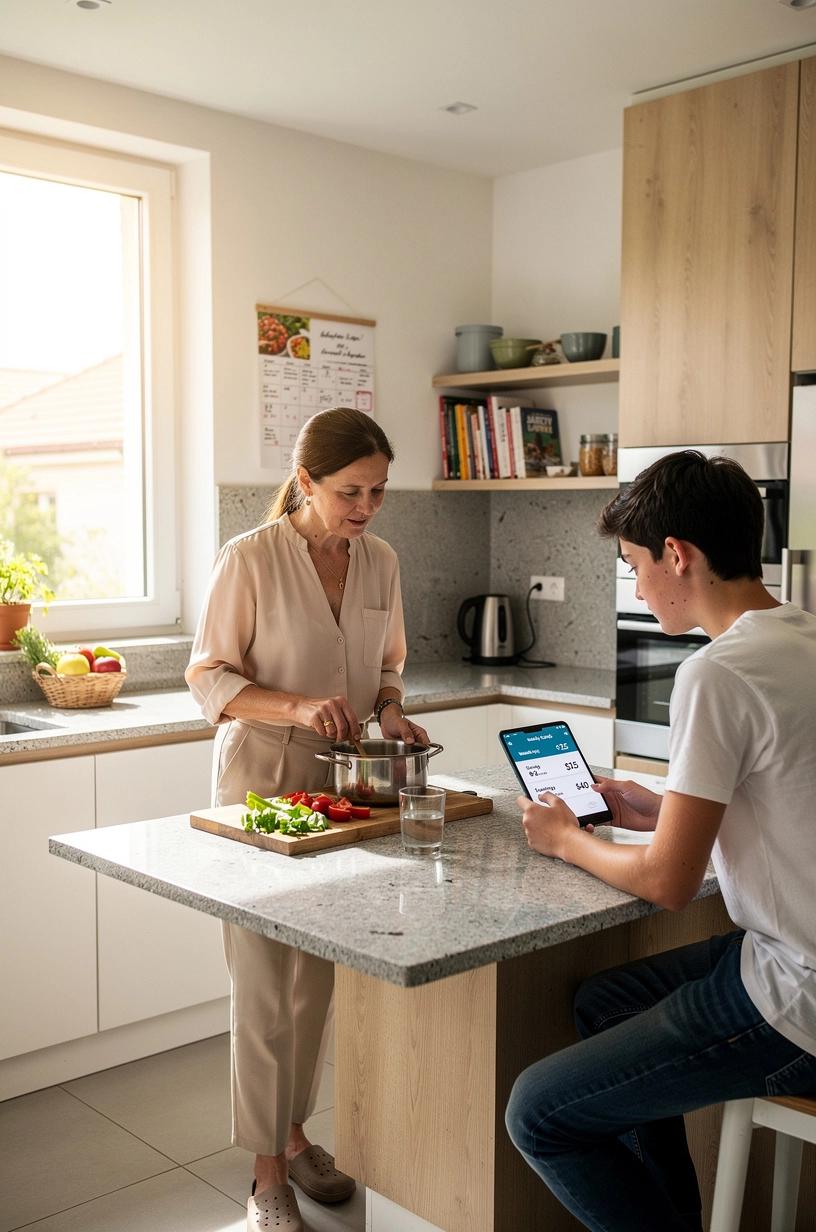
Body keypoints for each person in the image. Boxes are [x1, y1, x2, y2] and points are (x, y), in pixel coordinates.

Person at [505, 450, 816, 1232]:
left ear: (676, 554)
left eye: (633, 565)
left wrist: (563, 838)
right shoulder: (803, 636)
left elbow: (666, 884)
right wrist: (658, 805)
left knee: (537, 1113)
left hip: (798, 994)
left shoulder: (717, 672)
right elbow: (786, 807)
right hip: (794, 949)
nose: (637, 587)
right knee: (604, 1000)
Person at [186, 407, 429, 1232]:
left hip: (344, 785)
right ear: (305, 482)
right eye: (349, 492)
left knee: (316, 979)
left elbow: (388, 666)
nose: (364, 508)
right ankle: (264, 1178)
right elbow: (209, 679)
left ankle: (293, 1137)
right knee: (262, 981)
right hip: (259, 781)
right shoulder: (248, 560)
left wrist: (390, 711)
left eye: (378, 492)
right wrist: (295, 705)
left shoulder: (382, 561)